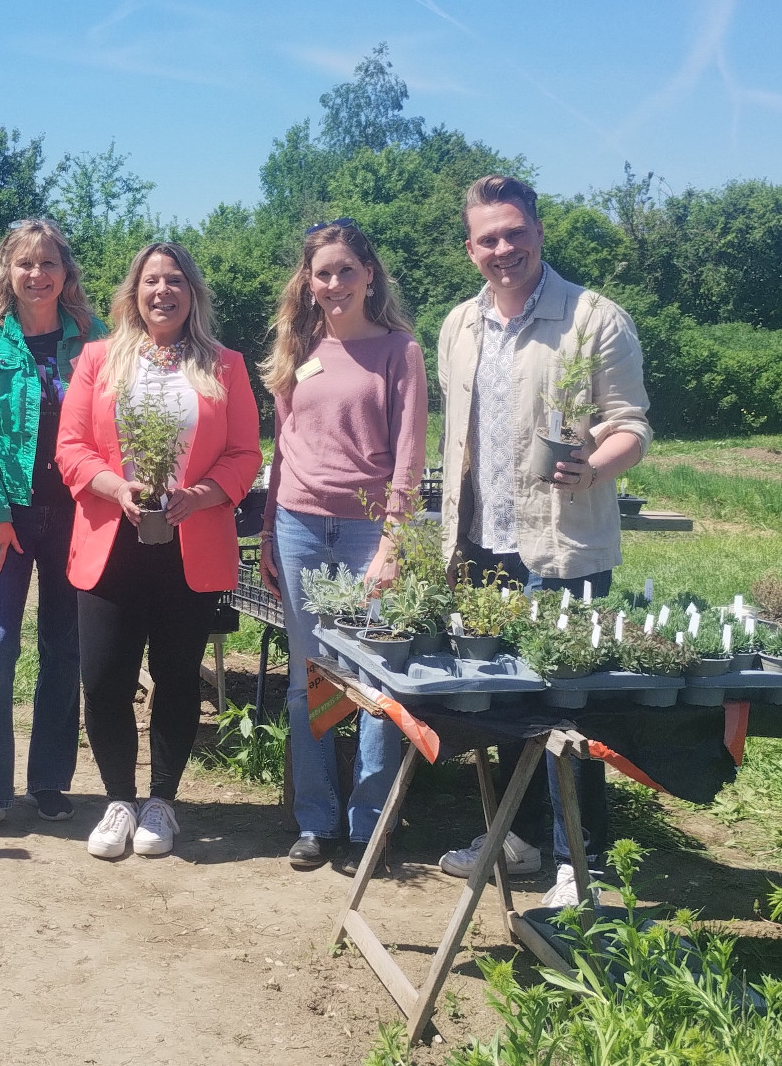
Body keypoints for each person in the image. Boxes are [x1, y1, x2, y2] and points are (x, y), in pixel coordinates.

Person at [436, 175, 651, 906]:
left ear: (537, 232)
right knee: (504, 706)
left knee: (569, 708)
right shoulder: (459, 326)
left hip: (559, 545)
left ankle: (578, 862)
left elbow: (632, 425)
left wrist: (591, 466)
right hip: (479, 546)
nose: (503, 248)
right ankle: (519, 838)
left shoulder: (592, 319)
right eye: (487, 238)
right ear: (470, 249)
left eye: (513, 232)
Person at [57, 242, 262, 859]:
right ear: (134, 292)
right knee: (103, 678)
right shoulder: (98, 360)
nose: (162, 292)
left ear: (191, 293)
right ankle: (118, 799)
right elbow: (71, 446)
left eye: (174, 281)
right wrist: (117, 487)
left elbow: (246, 454)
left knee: (177, 680)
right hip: (111, 543)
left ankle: (162, 803)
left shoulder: (225, 365)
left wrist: (201, 495)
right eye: (151, 281)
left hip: (189, 544)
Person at [258, 219, 428, 872]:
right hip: (299, 525)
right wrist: (271, 531)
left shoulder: (398, 351)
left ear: (368, 275)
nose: (333, 284)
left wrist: (392, 542)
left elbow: (409, 458)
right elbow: (283, 450)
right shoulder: (297, 350)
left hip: (365, 533)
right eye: (321, 273)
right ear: (309, 281)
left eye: (345, 272)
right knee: (310, 681)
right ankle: (316, 819)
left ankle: (369, 825)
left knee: (373, 680)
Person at [0, 219, 107, 836]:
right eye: (25, 264)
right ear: (6, 272)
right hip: (3, 519)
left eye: (49, 264)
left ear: (66, 272)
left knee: (64, 648)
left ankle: (48, 781)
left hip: (77, 516)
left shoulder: (95, 342)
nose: (37, 275)